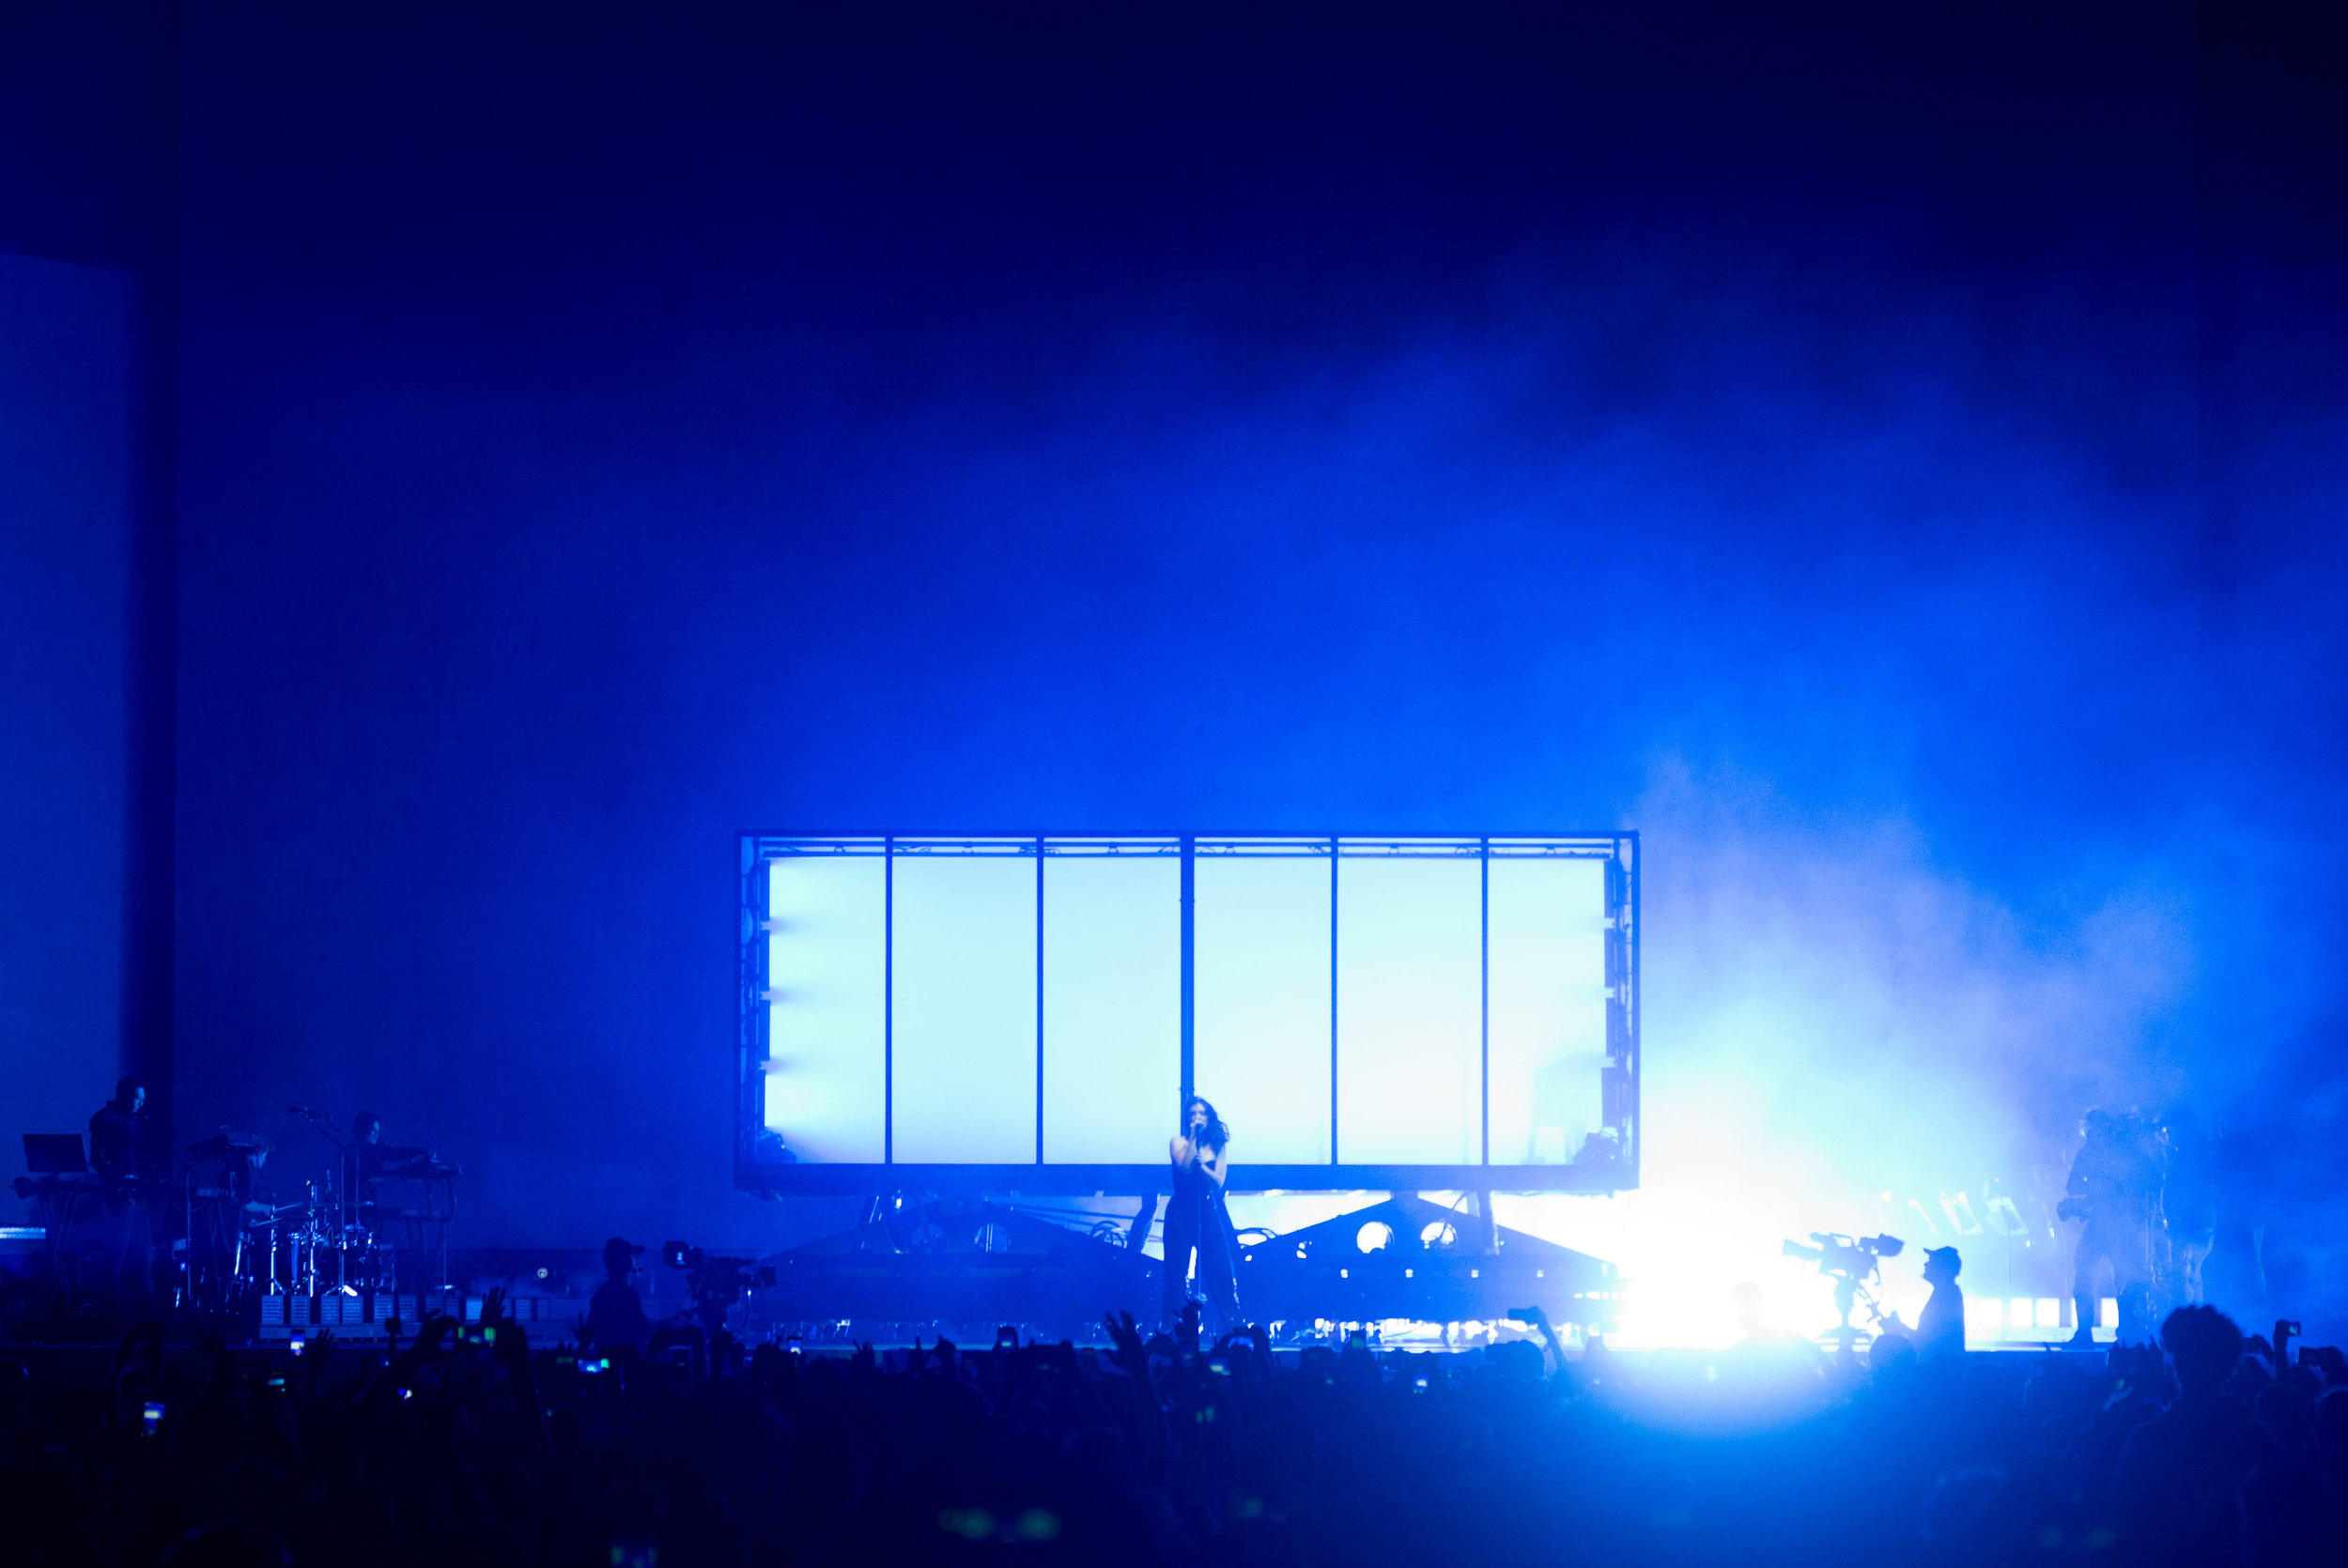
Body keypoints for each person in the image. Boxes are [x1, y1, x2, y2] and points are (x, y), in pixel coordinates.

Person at [2062, 1107, 2167, 1346]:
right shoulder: (2091, 1151)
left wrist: (2118, 1187)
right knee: (2087, 1274)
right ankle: (2089, 1333)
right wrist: (2096, 1192)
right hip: (2103, 1223)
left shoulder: (2124, 1152)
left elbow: (2153, 1177)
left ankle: (2128, 1333)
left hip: (2123, 1226)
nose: (2088, 1134)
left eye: (2091, 1128)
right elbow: (2073, 1186)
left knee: (2125, 1277)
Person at [1162, 1096, 1241, 1333]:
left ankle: (1234, 1329)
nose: (1196, 1117)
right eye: (1192, 1114)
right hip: (1180, 1213)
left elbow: (1218, 1181)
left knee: (1221, 1270)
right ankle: (1171, 1329)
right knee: (1176, 1274)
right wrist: (1194, 1140)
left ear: (1208, 1117)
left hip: (1207, 1211)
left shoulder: (1217, 1146)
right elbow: (1185, 1169)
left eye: (1201, 1113)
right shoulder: (1178, 1142)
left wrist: (1203, 1166)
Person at [585, 1237, 653, 1352]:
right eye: (633, 1256)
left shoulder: (601, 1294)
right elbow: (642, 1330)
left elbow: (591, 1330)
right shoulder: (627, 1295)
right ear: (626, 1261)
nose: (636, 1260)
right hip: (627, 1363)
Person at [1916, 1245, 1965, 1360]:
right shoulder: (1947, 1293)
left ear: (1943, 1268)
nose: (1926, 1264)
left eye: (1931, 1261)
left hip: (1939, 1369)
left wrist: (1899, 1327)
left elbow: (1930, 1340)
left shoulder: (1946, 1295)